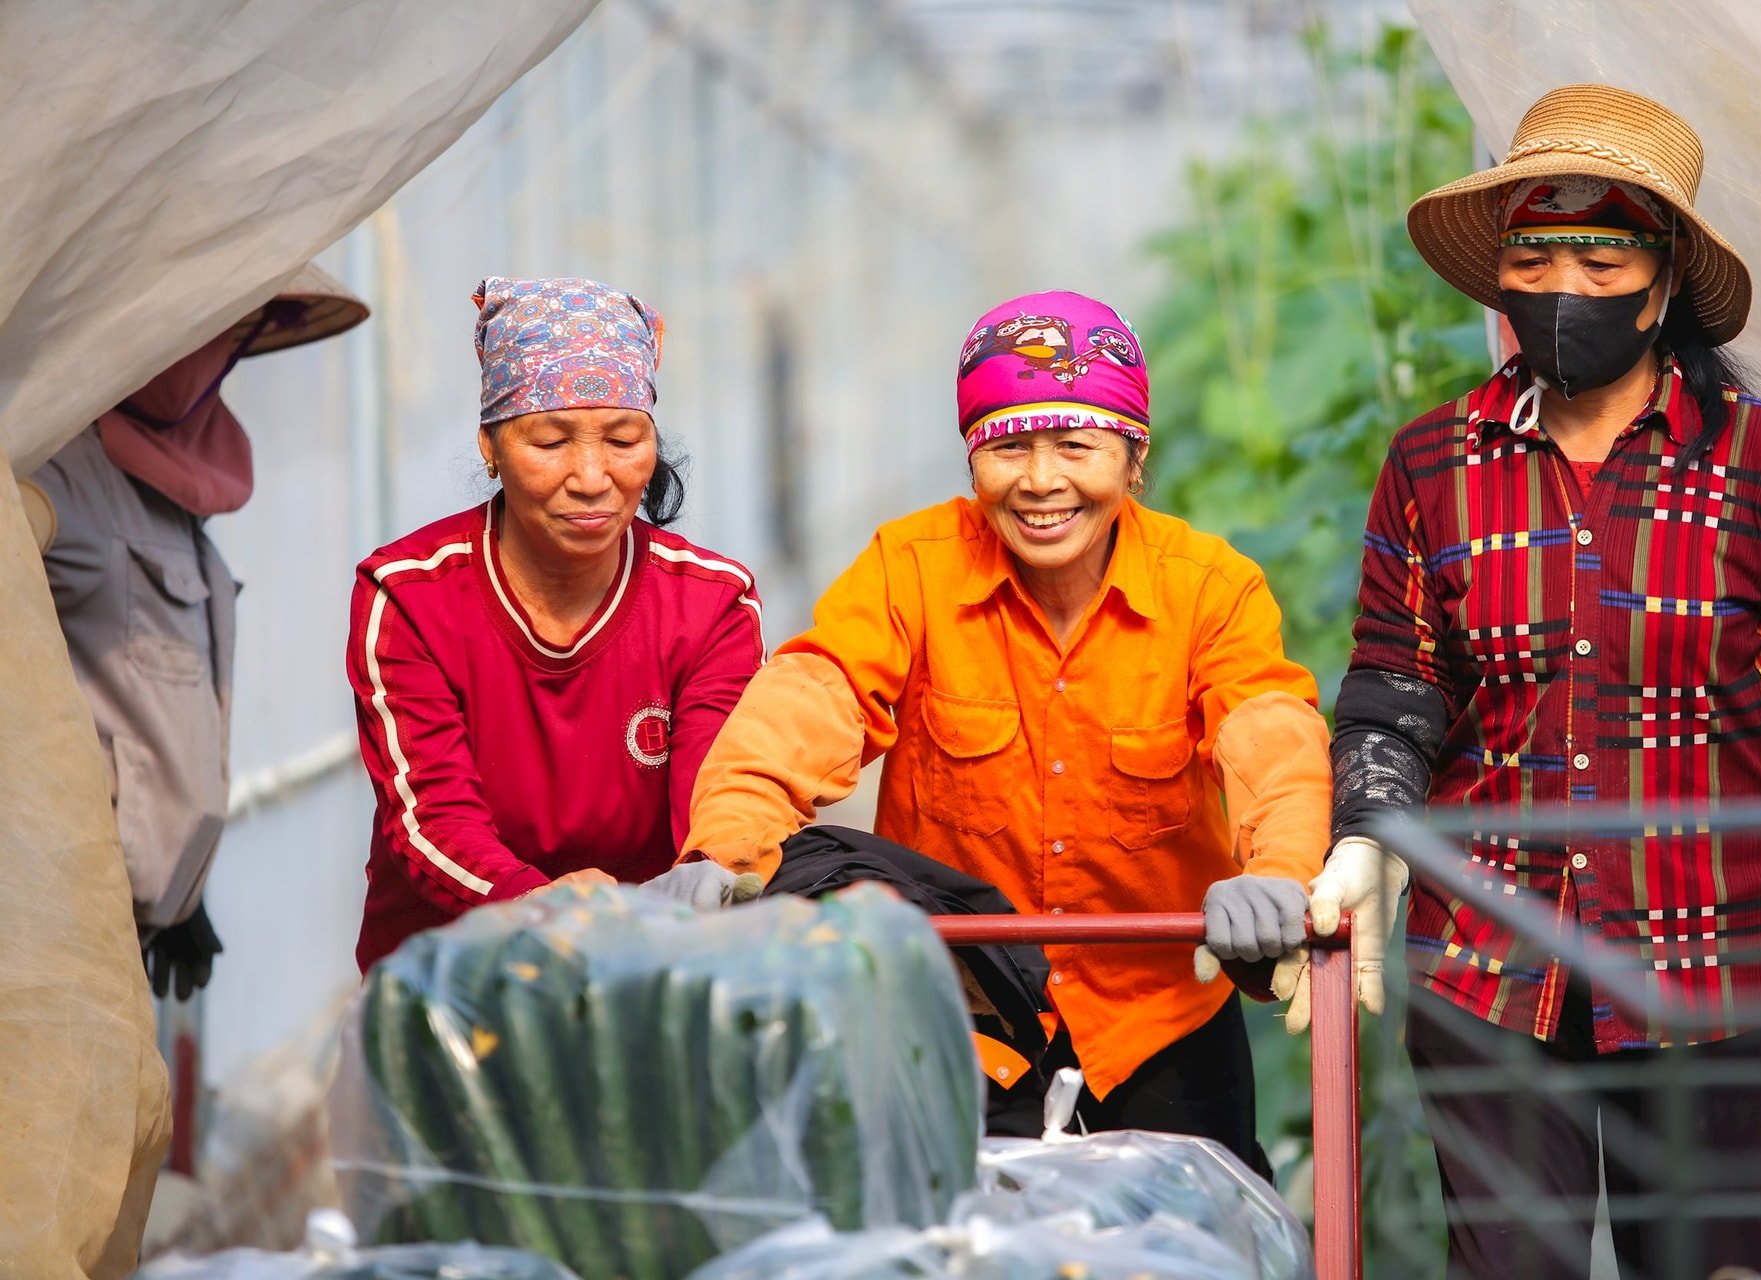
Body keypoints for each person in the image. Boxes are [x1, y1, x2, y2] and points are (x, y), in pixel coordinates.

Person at [1330, 84, 1761, 1277]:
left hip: (1714, 953)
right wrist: (1365, 840)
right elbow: (1396, 687)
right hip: (1489, 959)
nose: (1564, 287)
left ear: (1664, 284)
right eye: (1535, 254)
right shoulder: (1432, 464)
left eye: (1602, 257)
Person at [665, 290, 1332, 1174]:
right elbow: (810, 699)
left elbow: (1268, 732)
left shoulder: (1209, 586)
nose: (1042, 480)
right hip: (962, 1015)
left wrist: (1278, 875)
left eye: (1076, 445)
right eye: (1008, 446)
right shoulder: (911, 568)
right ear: (974, 461)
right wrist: (722, 852)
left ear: (1134, 460)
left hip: (1158, 1016)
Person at [347, 276, 763, 971]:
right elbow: (431, 818)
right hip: (449, 983)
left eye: (624, 438)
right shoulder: (411, 595)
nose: (592, 475)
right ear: (491, 445)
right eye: (551, 441)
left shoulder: (711, 603)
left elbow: (716, 806)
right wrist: (541, 908)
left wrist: (701, 884)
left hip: (650, 970)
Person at [28, 263, 370, 1001]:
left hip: (132, 918)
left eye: (219, 336)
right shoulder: (56, 470)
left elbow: (155, 702)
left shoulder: (167, 488)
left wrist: (183, 883)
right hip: (52, 919)